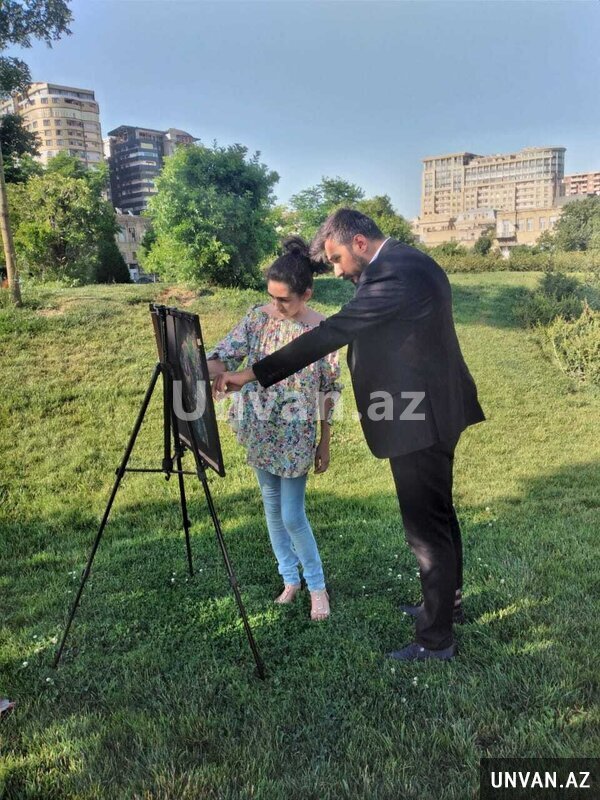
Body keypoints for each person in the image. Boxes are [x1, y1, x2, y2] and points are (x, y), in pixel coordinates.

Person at [213, 209, 485, 661]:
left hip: (420, 419)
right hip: (433, 409)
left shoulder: (394, 273)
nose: (337, 271)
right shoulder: (404, 262)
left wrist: (250, 374)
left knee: (426, 530)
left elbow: (332, 333)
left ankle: (435, 640)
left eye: (337, 258)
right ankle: (445, 606)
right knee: (439, 515)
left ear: (359, 242)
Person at [207, 237, 342, 621]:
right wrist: (202, 368)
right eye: (271, 296)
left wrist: (325, 441)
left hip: (296, 435)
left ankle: (317, 586)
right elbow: (223, 355)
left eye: (284, 300)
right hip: (259, 427)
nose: (276, 305)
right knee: (271, 506)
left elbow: (328, 390)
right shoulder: (257, 318)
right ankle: (290, 579)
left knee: (293, 515)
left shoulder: (322, 330)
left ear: (306, 294)